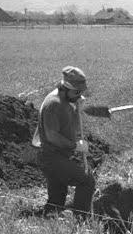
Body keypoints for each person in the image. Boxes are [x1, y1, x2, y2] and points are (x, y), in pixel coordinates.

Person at [32, 66, 95, 219]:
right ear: (66, 87)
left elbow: (66, 124)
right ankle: (80, 221)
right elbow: (52, 135)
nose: (79, 95)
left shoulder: (65, 100)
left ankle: (49, 222)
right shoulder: (54, 104)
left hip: (57, 156)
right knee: (86, 181)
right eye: (77, 92)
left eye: (81, 92)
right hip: (51, 157)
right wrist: (75, 146)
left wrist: (75, 105)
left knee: (57, 197)